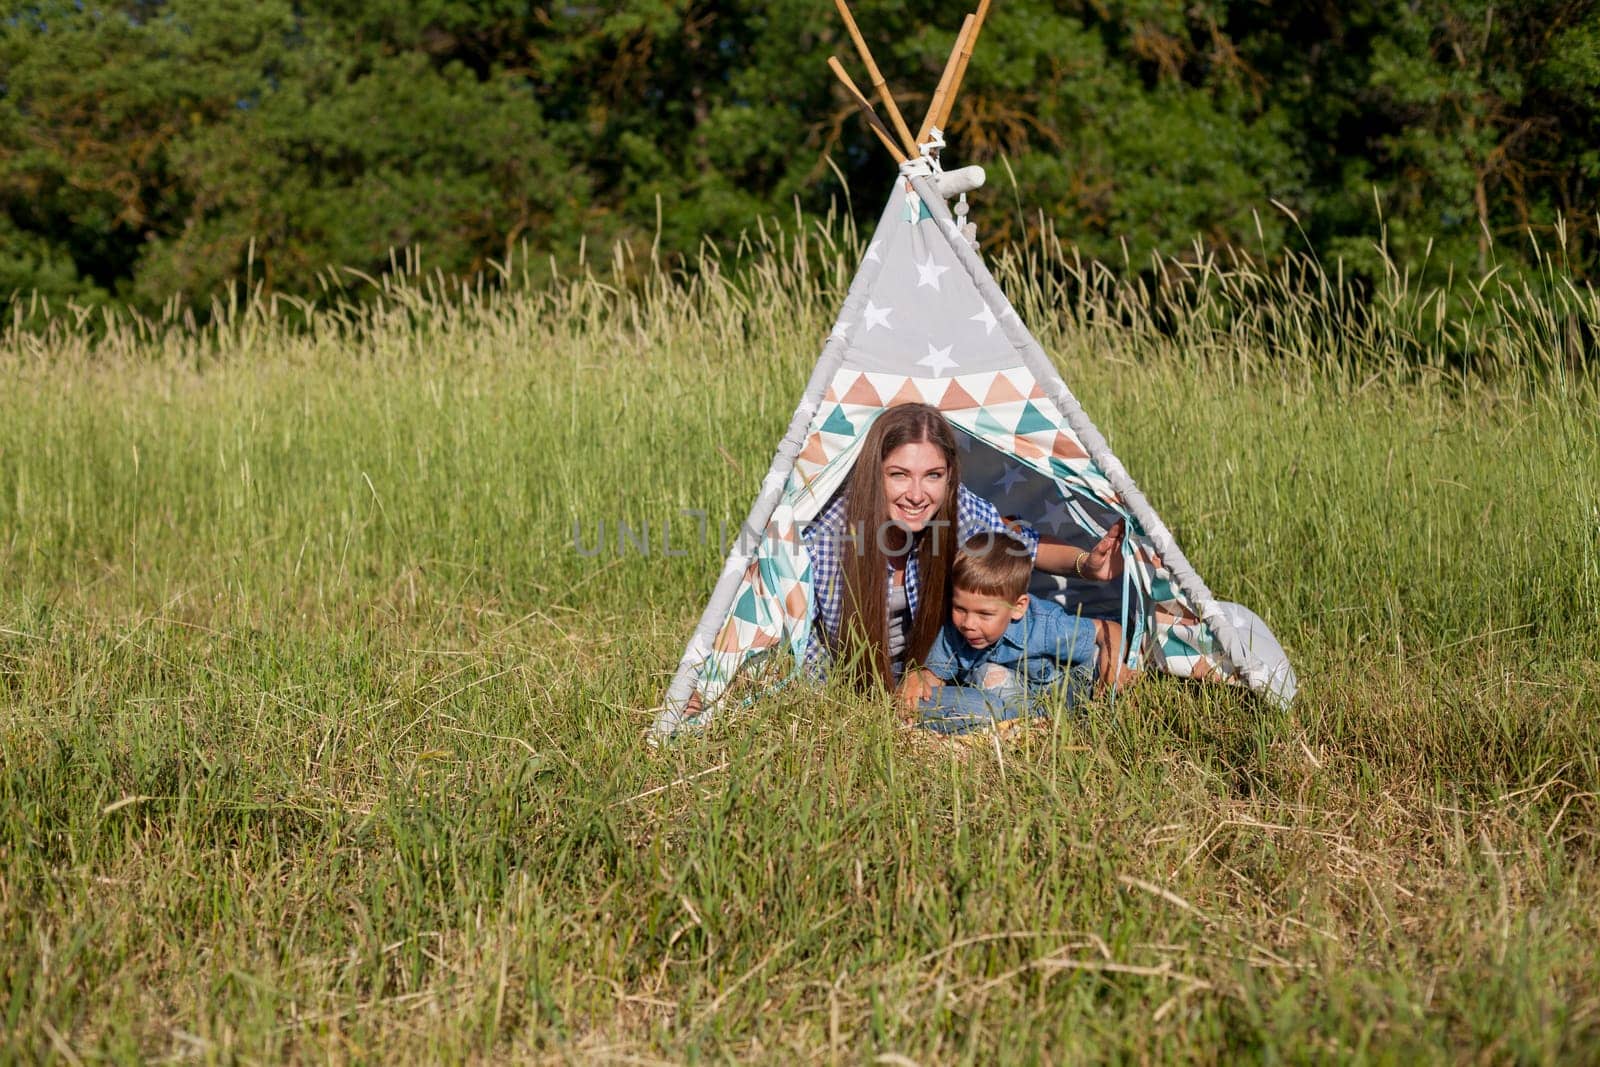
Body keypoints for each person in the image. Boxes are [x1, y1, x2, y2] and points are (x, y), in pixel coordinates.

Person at [802, 402, 1124, 694]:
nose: (916, 494)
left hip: (936, 670)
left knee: (1006, 639)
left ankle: (1082, 666)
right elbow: (792, 631)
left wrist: (1088, 565)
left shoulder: (956, 507)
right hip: (853, 682)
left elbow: (1023, 545)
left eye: (932, 475)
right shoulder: (828, 533)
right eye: (899, 475)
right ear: (875, 473)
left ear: (949, 476)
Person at [898, 532, 1131, 734]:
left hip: (1064, 691)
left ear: (1018, 607)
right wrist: (917, 678)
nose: (969, 623)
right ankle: (1023, 724)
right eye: (960, 608)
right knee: (985, 678)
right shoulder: (955, 631)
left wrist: (1113, 666)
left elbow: (1107, 628)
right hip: (1010, 698)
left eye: (985, 614)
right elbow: (934, 674)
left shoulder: (1045, 623)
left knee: (1096, 666)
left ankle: (1033, 722)